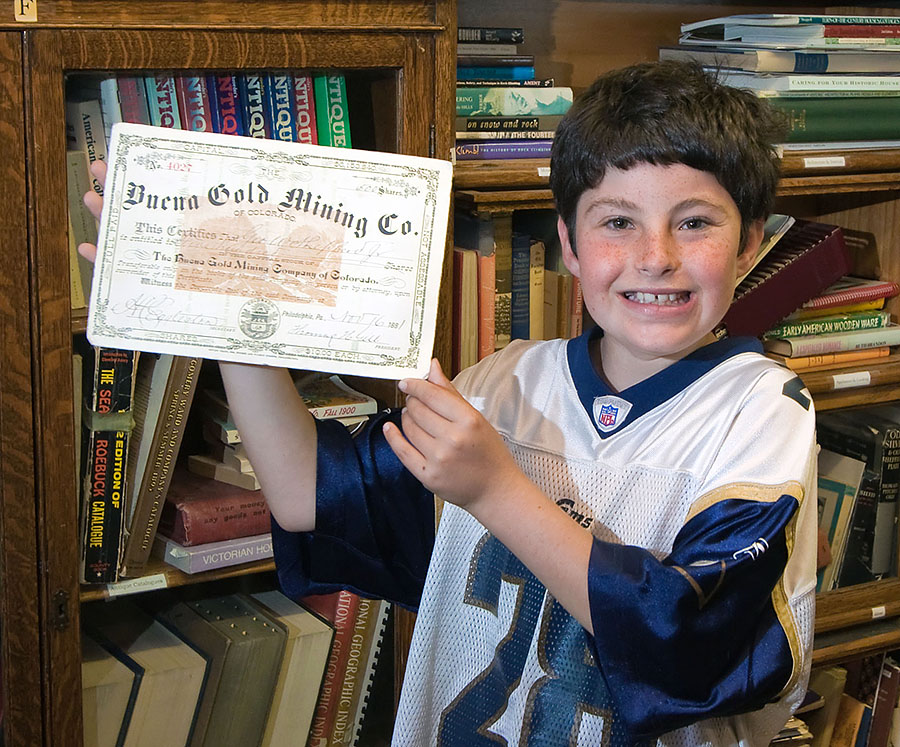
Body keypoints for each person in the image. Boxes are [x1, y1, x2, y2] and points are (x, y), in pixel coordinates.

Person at [81, 60, 818, 746]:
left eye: (694, 222)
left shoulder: (762, 409)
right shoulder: (502, 382)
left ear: (751, 241)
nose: (656, 254)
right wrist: (225, 314)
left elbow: (683, 643)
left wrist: (495, 489)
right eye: (617, 221)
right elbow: (307, 493)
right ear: (567, 241)